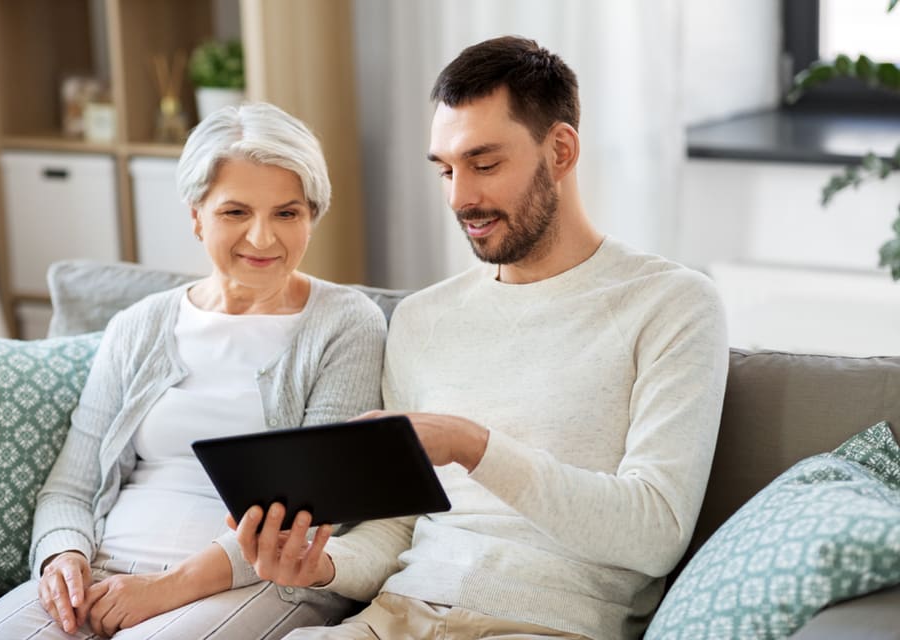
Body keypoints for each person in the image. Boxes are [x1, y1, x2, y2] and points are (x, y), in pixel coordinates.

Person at [230, 36, 730, 640]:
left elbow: (654, 534)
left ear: (562, 149)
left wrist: (470, 444)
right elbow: (399, 530)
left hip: (544, 625)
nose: (460, 197)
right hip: (393, 617)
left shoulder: (671, 304)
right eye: (445, 169)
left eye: (484, 164)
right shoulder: (421, 319)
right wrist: (323, 566)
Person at [0, 102, 386, 640]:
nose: (262, 238)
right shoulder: (138, 326)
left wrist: (167, 588)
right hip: (107, 567)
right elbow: (70, 486)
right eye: (235, 212)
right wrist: (61, 558)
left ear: (312, 216)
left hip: (257, 582)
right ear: (195, 215)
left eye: (287, 212)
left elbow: (313, 509)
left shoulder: (346, 324)